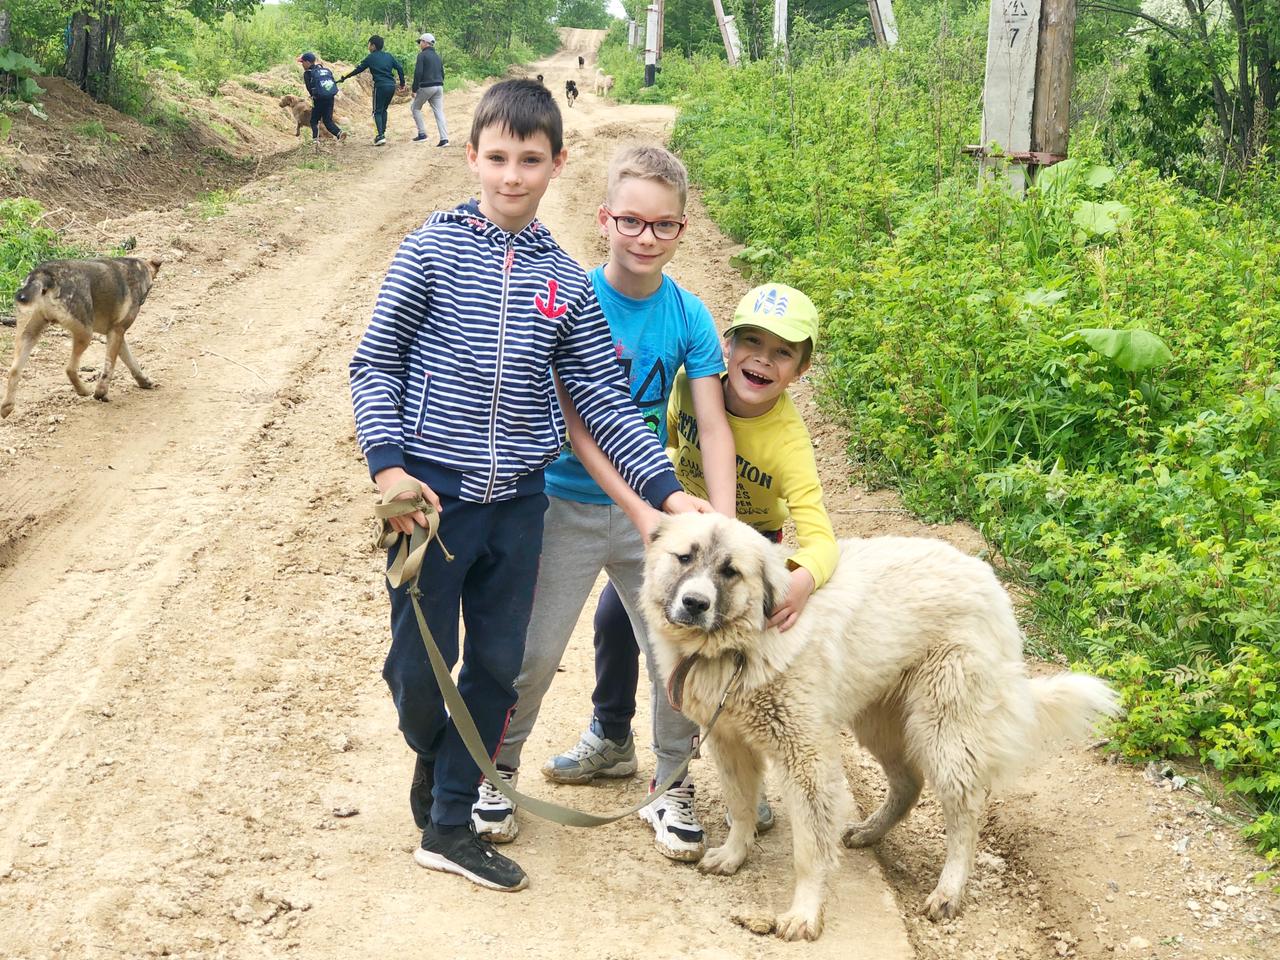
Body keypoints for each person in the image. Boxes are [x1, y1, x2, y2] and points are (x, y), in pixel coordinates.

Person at [349, 80, 708, 894]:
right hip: (430, 505)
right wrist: (390, 465)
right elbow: (374, 363)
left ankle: (448, 826)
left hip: (519, 505)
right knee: (417, 674)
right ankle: (437, 752)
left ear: (557, 165)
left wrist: (664, 489)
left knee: (496, 667)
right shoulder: (428, 251)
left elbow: (603, 400)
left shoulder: (563, 284)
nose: (513, 175)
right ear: (473, 157)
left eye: (531, 160)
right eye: (499, 157)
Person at [472, 145, 738, 863]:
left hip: (657, 517)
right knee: (531, 651)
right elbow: (581, 422)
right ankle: (497, 774)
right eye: (630, 221)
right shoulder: (573, 300)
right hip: (564, 504)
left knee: (678, 658)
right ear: (604, 219)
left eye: (662, 225)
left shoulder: (689, 316)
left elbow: (712, 424)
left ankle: (672, 784)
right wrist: (651, 512)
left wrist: (721, 524)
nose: (644, 238)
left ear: (683, 229)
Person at [581, 284, 840, 830]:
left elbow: (820, 539)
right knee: (613, 616)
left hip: (746, 552)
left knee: (739, 670)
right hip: (689, 533)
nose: (762, 360)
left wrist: (800, 580)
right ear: (726, 345)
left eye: (782, 352)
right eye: (750, 341)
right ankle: (611, 734)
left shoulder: (788, 443)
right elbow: (666, 441)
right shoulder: (689, 386)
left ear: (803, 367)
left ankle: (749, 786)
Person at [338, 34, 405, 146]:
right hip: (391, 86)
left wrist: (344, 77)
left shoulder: (370, 58)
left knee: (376, 112)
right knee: (383, 110)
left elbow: (358, 69)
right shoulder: (389, 56)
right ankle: (382, 133)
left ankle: (380, 136)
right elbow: (400, 68)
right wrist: (402, 83)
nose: (368, 47)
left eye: (369, 44)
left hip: (380, 86)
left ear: (373, 46)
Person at [296, 52, 344, 142]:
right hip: (330, 98)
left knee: (314, 120)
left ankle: (315, 140)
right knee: (327, 121)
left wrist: (313, 97)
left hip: (318, 100)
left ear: (308, 62)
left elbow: (309, 89)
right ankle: (339, 133)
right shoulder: (323, 70)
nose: (302, 64)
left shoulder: (307, 73)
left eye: (302, 62)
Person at [410, 33, 448, 146]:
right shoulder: (437, 56)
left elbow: (418, 73)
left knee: (415, 107)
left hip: (427, 86)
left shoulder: (422, 55)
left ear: (426, 43)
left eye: (420, 42)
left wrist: (414, 89)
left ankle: (422, 134)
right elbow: (442, 72)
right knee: (439, 112)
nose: (419, 44)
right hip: (439, 86)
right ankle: (444, 139)